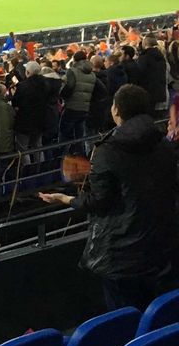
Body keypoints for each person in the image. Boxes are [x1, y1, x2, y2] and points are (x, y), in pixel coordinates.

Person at [40, 84, 179, 310]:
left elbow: (99, 201)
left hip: (124, 255)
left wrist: (65, 199)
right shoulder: (163, 143)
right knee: (157, 314)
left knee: (126, 318)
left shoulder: (109, 150)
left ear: (117, 111)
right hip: (162, 246)